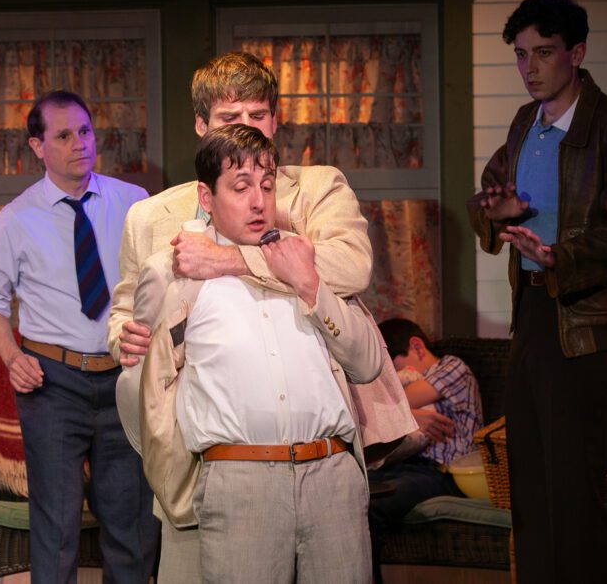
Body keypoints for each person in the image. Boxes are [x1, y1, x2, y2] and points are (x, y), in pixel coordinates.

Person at [108, 51, 415, 582]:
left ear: (276, 119)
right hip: (207, 463)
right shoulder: (151, 216)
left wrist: (229, 259)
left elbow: (350, 267)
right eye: (230, 117)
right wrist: (126, 338)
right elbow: (128, 309)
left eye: (259, 115)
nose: (248, 127)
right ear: (201, 125)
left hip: (321, 452)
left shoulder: (313, 188)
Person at [138, 124, 382, 583]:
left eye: (267, 186)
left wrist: (309, 284)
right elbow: (150, 390)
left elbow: (368, 363)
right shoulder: (177, 275)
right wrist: (176, 485)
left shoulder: (305, 257)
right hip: (239, 484)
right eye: (241, 187)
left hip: (331, 476)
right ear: (206, 197)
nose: (258, 202)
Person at [467, 0, 607, 583]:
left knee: (574, 495)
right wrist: (498, 211)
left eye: (543, 53)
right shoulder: (526, 122)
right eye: (521, 55)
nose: (529, 68)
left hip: (588, 326)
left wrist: (560, 258)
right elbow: (489, 194)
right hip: (533, 312)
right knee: (530, 486)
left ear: (576, 53)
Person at [0, 90, 158, 583]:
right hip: (52, 383)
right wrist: (11, 357)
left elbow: (160, 282)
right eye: (64, 136)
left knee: (131, 526)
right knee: (55, 531)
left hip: (123, 377)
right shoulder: (15, 220)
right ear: (38, 147)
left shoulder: (133, 203)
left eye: (85, 131)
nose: (80, 143)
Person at [366, 318, 482, 562]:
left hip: (441, 473)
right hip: (400, 465)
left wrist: (400, 411)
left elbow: (394, 402)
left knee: (373, 506)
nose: (393, 378)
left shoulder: (453, 367)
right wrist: (414, 416)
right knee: (349, 494)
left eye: (395, 368)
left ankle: (368, 575)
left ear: (417, 346)